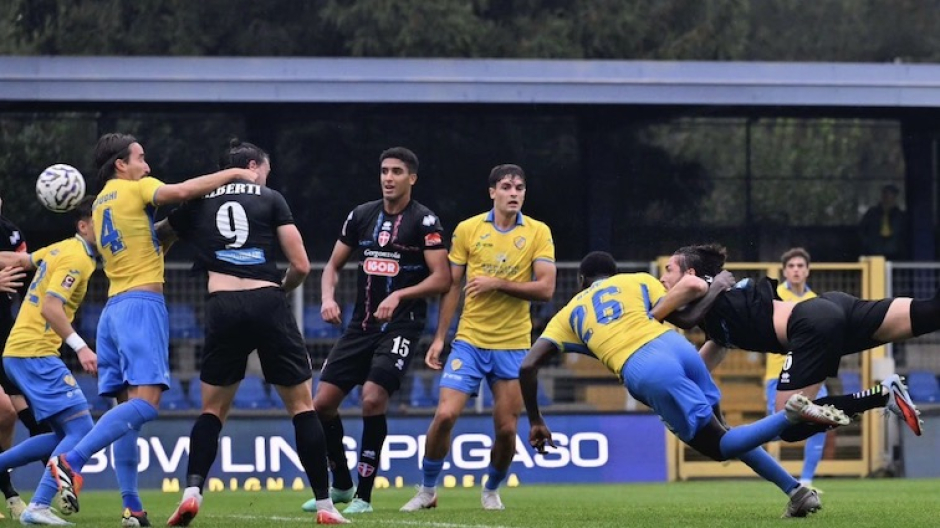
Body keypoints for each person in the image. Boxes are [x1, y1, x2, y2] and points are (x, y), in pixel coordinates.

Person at [520, 252, 849, 518]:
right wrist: (718, 286)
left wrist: (536, 419)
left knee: (720, 447)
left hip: (646, 368)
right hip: (678, 349)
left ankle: (792, 414)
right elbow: (688, 320)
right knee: (727, 433)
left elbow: (528, 366)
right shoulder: (637, 281)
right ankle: (796, 491)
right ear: (615, 272)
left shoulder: (567, 315)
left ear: (581, 281)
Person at [44, 133, 260, 526]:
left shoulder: (101, 207)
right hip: (140, 308)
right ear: (121, 165)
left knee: (127, 409)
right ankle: (70, 461)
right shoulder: (137, 188)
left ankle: (132, 507)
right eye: (141, 158)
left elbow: (146, 243)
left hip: (113, 310)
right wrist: (231, 174)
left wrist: (176, 229)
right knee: (146, 404)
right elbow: (179, 191)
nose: (148, 165)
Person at [156, 140, 348, 526]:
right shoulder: (270, 198)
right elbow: (301, 264)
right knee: (302, 407)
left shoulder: (198, 202)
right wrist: (279, 289)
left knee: (212, 410)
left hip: (222, 305)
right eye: (266, 169)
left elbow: (156, 236)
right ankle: (325, 505)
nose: (266, 177)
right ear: (252, 166)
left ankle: (192, 491)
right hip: (267, 301)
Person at [300, 147, 450, 515]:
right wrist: (327, 297)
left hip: (401, 325)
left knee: (371, 397)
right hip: (360, 324)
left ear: (411, 178)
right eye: (384, 171)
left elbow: (443, 278)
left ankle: (364, 497)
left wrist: (400, 293)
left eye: (397, 171)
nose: (388, 178)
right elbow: (332, 265)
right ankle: (342, 484)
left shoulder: (425, 222)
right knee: (321, 405)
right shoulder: (361, 215)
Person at [400, 164, 556, 513]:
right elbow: (453, 286)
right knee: (444, 416)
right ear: (492, 192)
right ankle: (427, 490)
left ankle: (492, 490)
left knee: (505, 429)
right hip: (469, 341)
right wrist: (441, 338)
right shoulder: (469, 229)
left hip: (514, 345)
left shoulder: (538, 232)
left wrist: (497, 283)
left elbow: (546, 289)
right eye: (506, 187)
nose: (514, 193)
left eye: (519, 187)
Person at [656, 243, 926, 444]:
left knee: (787, 423)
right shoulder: (716, 324)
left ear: (690, 272)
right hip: (831, 309)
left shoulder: (705, 286)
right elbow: (697, 371)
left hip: (810, 325)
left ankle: (879, 396)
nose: (661, 278)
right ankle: (883, 394)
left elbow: (687, 308)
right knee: (930, 314)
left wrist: (653, 313)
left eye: (668, 270)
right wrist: (667, 396)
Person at [0, 197, 99, 525]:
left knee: (61, 435)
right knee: (82, 428)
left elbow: (20, 260)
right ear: (83, 226)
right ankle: (38, 506)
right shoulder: (78, 260)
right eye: (103, 221)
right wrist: (81, 347)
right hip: (35, 351)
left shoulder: (60, 249)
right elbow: (51, 308)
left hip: (21, 350)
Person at [0, 194, 54, 519]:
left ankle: (55, 486)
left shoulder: (10, 231)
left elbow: (29, 267)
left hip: (6, 339)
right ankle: (9, 493)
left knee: (23, 415)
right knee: (5, 410)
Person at [763, 248, 829, 489]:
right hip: (778, 375)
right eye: (791, 266)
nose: (796, 270)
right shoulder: (773, 296)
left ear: (808, 270)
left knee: (823, 420)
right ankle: (742, 444)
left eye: (800, 266)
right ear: (784, 271)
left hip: (811, 374)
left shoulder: (816, 301)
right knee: (777, 427)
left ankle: (807, 480)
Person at [859, 184, 907, 260]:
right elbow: (862, 230)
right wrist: (868, 244)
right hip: (874, 251)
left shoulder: (900, 215)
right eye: (886, 195)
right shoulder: (872, 213)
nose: (888, 198)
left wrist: (900, 246)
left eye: (891, 195)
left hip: (894, 252)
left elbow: (904, 233)